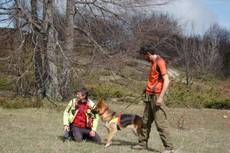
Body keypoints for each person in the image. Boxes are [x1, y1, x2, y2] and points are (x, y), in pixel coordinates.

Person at [132, 45, 175, 153]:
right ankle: (142, 144)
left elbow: (166, 80)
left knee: (160, 123)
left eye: (144, 56)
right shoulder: (152, 62)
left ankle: (169, 148)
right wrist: (146, 89)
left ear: (148, 54)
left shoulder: (160, 61)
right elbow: (153, 79)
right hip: (149, 95)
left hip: (156, 96)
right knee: (145, 121)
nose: (144, 58)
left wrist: (160, 97)